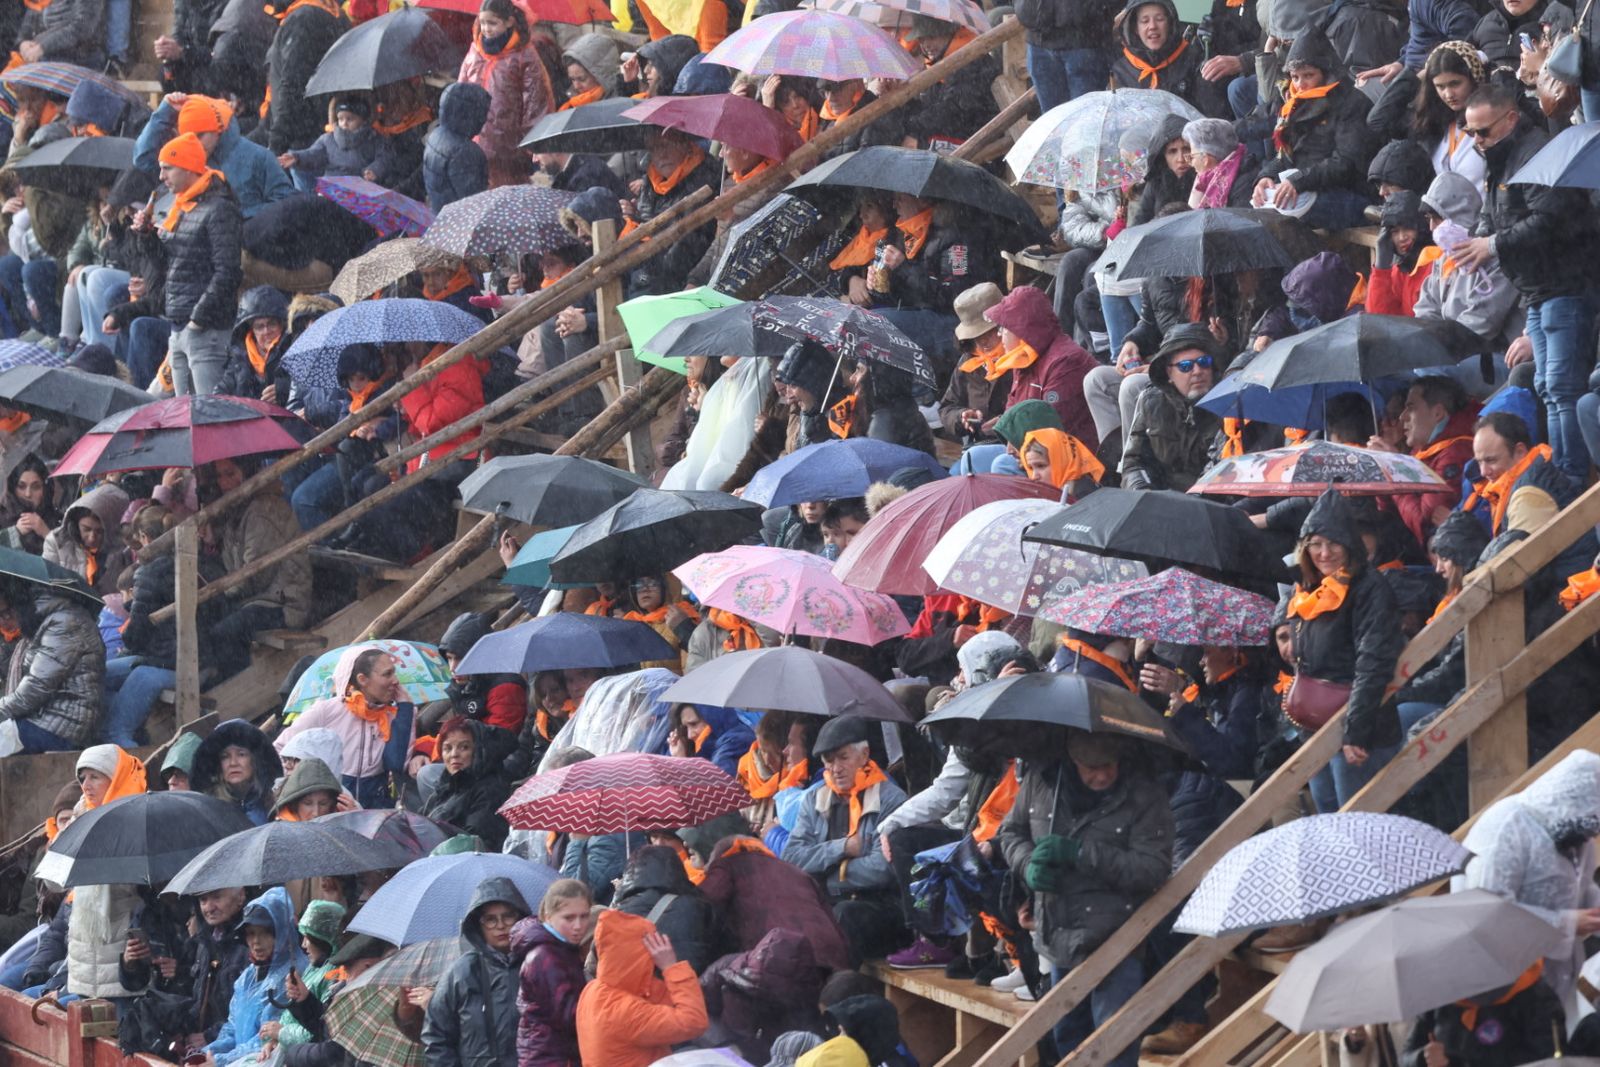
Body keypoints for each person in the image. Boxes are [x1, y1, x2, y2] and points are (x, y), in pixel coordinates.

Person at [999, 730, 1174, 1067]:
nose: (1102, 775)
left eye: (1110, 765)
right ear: (1073, 761)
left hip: (1117, 939)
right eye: (1091, 767)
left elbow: (1153, 868)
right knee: (1067, 1040)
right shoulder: (1043, 780)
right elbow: (1011, 832)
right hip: (1058, 935)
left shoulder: (1144, 793)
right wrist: (1027, 865)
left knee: (1113, 1046)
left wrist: (1081, 853)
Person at [1454, 81, 1600, 482]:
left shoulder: (1536, 152)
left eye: (1483, 131)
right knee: (1548, 388)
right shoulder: (1500, 157)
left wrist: (1494, 244)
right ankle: (1561, 471)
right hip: (1537, 290)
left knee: (1562, 387)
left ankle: (1571, 478)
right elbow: (1494, 211)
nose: (1477, 141)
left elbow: (1550, 218)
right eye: (1470, 133)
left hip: (1565, 286)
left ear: (1511, 118)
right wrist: (1479, 239)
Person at [1286, 488, 1405, 812]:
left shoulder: (1370, 589)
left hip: (1357, 729)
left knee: (1359, 822)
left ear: (1349, 544)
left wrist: (1356, 731)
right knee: (1328, 816)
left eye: (1333, 543)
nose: (1324, 553)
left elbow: (1373, 663)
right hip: (1313, 729)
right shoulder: (1309, 588)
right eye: (1315, 544)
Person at [1453, 750, 1600, 1009]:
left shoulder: (1578, 835)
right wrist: (1565, 923)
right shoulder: (1505, 828)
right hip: (1504, 991)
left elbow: (1584, 887)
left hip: (1555, 983)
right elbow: (1486, 911)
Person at [783, 715, 909, 962]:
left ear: (864, 756)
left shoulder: (891, 799)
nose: (835, 768)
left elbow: (882, 868)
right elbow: (791, 858)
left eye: (843, 758)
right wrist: (843, 848)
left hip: (880, 907)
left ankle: (834, 989)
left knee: (844, 916)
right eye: (829, 761)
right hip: (829, 902)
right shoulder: (815, 799)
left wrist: (829, 877)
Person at [1251, 29, 1379, 230]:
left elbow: (1346, 163)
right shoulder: (1292, 104)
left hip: (1349, 193)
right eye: (1295, 77)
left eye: (1308, 75)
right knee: (1259, 212)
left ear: (1326, 74)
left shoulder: (1351, 103)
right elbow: (1285, 156)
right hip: (1307, 187)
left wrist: (1300, 181)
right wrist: (1266, 177)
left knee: (1284, 222)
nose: (1300, 85)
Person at [153, 131, 243, 395]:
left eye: (167, 168)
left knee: (209, 414)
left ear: (189, 168)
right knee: (184, 417)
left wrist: (198, 319)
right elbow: (169, 264)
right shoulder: (181, 205)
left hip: (205, 328)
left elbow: (228, 271)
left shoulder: (219, 209)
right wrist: (146, 237)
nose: (161, 177)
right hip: (179, 325)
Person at [277, 645, 417, 809]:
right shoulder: (327, 710)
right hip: (330, 806)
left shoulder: (400, 714)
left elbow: (395, 763)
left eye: (394, 672)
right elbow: (281, 747)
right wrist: (300, 782)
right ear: (362, 679)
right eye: (387, 674)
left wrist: (405, 710)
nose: (396, 680)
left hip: (376, 808)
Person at [574, 910, 709, 1067]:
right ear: (638, 956)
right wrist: (671, 967)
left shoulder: (594, 989)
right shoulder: (624, 1011)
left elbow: (658, 1000)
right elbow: (694, 1022)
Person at [65, 746, 147, 1005]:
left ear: (116, 777)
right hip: (84, 960)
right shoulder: (80, 818)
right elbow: (54, 881)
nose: (86, 785)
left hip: (119, 959)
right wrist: (68, 836)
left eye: (95, 776)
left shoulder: (135, 821)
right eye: (83, 778)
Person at [422, 876, 530, 1067]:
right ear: (478, 925)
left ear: (520, 917)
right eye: (490, 919)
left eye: (508, 916)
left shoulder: (538, 964)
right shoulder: (461, 972)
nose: (500, 925)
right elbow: (437, 1037)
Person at [133, 95, 296, 221]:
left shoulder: (258, 156)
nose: (194, 143)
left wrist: (239, 218)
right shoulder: (184, 158)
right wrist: (165, 110)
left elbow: (285, 201)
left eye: (200, 136)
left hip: (245, 244)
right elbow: (142, 159)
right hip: (195, 247)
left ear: (217, 130)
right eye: (188, 137)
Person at [984, 284, 1100, 452]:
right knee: (973, 456)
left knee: (1000, 463)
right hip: (1031, 448)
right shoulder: (1024, 357)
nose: (999, 334)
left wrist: (1014, 437)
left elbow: (1050, 424)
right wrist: (1003, 425)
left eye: (1004, 327)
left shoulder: (1066, 361)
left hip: (1066, 457)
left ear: (1023, 329)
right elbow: (1014, 409)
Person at [1368, 377, 1478, 549]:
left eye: (1411, 408)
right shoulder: (1422, 450)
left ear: (1437, 413)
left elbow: (1423, 524)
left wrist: (1394, 467)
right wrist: (1382, 471)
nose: (1403, 417)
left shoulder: (1456, 453)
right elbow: (1388, 512)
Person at [0, 576, 106, 753]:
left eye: (6, 613)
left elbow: (36, 688)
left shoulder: (64, 623)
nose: (3, 621)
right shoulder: (41, 622)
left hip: (64, 724)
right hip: (44, 716)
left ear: (20, 602)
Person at [203, 887, 306, 1067]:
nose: (256, 942)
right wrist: (207, 1053)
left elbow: (266, 1038)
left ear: (281, 932)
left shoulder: (295, 973)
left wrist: (220, 1061)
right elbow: (232, 1028)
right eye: (251, 933)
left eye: (265, 933)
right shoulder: (248, 976)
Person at [458, 0, 554, 188]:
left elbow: (535, 103)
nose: (486, 29)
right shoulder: (475, 50)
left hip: (507, 147)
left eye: (492, 23)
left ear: (509, 22)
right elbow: (461, 88)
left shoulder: (525, 56)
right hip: (475, 139)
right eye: (482, 22)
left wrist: (532, 146)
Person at [1121, 324, 1224, 492]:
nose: (1197, 371)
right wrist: (1143, 494)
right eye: (1185, 366)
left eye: (1204, 362)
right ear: (1169, 373)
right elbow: (1134, 463)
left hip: (1212, 499)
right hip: (1162, 500)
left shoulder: (1228, 406)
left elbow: (1226, 471)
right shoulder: (1151, 401)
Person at [258, 0, 349, 171]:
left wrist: (277, 141)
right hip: (314, 131)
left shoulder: (302, 19)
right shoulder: (333, 13)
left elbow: (292, 83)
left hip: (301, 138)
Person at [513, 879, 591, 1067]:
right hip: (549, 1058)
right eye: (569, 918)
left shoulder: (562, 949)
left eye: (584, 916)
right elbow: (571, 1015)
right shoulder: (546, 957)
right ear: (548, 916)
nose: (578, 925)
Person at [420, 717, 514, 849]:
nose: (454, 754)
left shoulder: (490, 790)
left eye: (464, 747)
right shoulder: (446, 787)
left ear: (479, 750)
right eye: (447, 748)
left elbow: (474, 843)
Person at [275, 899, 346, 1050]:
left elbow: (323, 1031)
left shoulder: (336, 975)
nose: (303, 945)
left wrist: (281, 1033)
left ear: (323, 939)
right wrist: (273, 1041)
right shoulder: (314, 968)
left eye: (309, 937)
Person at [277, 99, 396, 184]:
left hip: (361, 187)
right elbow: (314, 155)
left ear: (363, 120)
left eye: (350, 119)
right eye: (340, 119)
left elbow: (385, 158)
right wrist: (298, 157)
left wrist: (375, 170)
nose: (344, 123)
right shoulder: (328, 139)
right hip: (331, 187)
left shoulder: (374, 139)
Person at [42, 482, 128, 595]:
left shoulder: (122, 549)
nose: (92, 538)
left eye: (99, 531)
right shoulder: (56, 542)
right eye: (86, 529)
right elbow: (47, 585)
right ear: (76, 523)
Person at [192, 718, 284, 824]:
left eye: (241, 754)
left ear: (255, 760)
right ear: (218, 764)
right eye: (225, 756)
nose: (233, 763)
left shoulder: (275, 804)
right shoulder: (207, 809)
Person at [1111, 0, 1201, 101]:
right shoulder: (1121, 71)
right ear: (1135, 28)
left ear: (1170, 23)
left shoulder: (1192, 61)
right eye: (1145, 21)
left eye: (1160, 19)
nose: (1153, 26)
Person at [423, 82, 490, 213]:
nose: (484, 119)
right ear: (471, 114)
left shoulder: (436, 135)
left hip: (441, 217)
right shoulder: (465, 152)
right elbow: (474, 202)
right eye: (482, 113)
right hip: (460, 223)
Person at [217, 285, 290, 404]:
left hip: (288, 418)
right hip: (250, 418)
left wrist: (283, 390)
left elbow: (308, 387)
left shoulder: (294, 349)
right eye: (259, 327)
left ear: (282, 324)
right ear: (251, 330)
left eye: (272, 324)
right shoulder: (239, 355)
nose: (266, 331)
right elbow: (224, 389)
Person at [1184, 118, 1258, 210]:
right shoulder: (1205, 180)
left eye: (1192, 157)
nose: (1191, 164)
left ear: (1205, 159)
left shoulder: (1243, 184)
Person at [0, 455, 60, 555]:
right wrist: (15, 532)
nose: (28, 494)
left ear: (45, 490)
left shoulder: (57, 520)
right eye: (21, 486)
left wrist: (46, 533)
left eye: (35, 487)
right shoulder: (2, 515)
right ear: (13, 488)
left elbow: (70, 562)